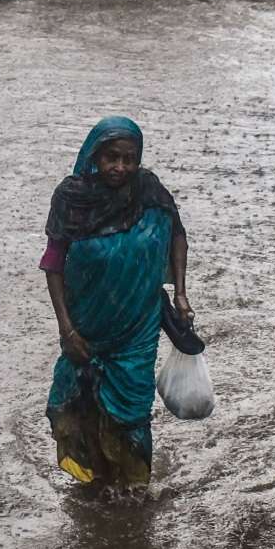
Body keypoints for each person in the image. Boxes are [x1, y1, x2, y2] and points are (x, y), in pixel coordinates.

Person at [41, 116, 193, 489]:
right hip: (87, 327)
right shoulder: (72, 198)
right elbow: (54, 263)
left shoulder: (148, 190)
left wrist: (181, 294)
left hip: (138, 327)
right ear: (95, 155)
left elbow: (177, 235)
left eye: (129, 158)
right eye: (112, 157)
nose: (120, 167)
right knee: (79, 401)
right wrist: (67, 329)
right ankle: (96, 483)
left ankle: (134, 493)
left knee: (133, 412)